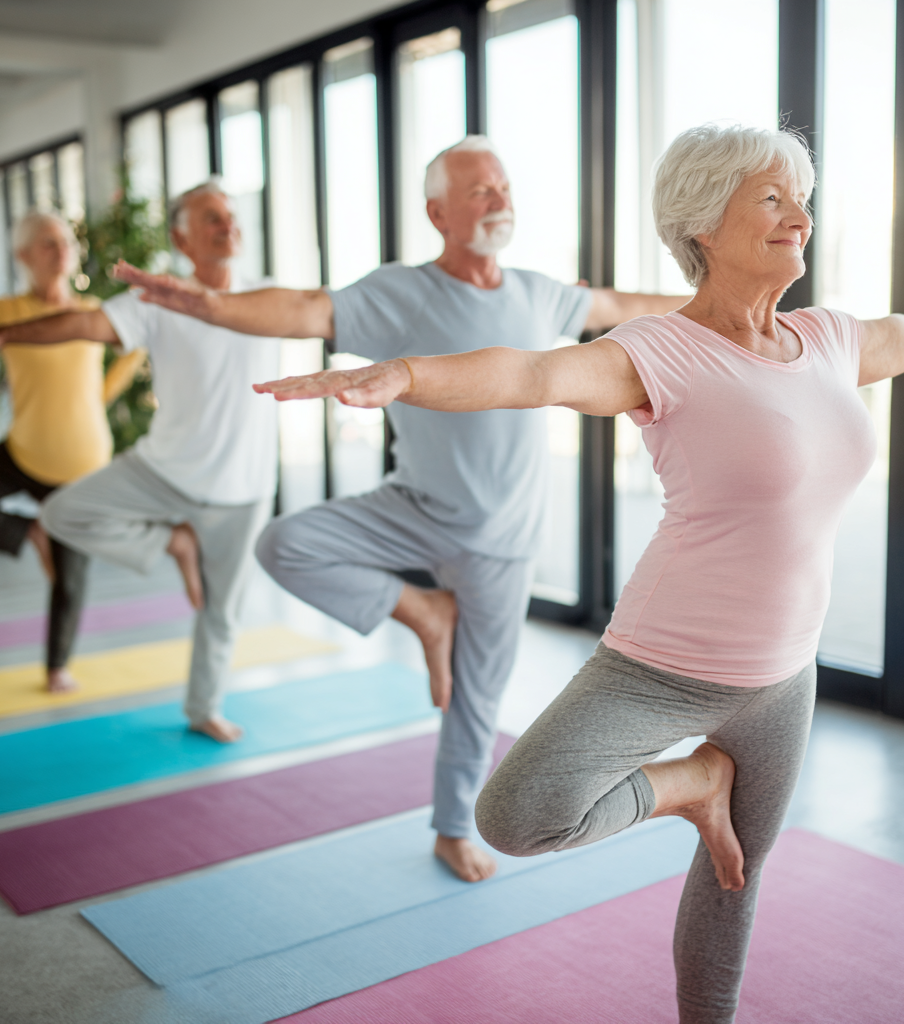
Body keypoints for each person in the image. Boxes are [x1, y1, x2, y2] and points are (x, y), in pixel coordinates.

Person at [233, 123, 904, 1021]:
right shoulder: (664, 353)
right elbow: (530, 371)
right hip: (663, 665)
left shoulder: (832, 340)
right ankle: (692, 785)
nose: (798, 216)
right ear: (703, 226)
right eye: (771, 198)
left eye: (800, 197)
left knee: (736, 879)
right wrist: (406, 374)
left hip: (783, 676)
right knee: (518, 817)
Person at [108, 135, 685, 882]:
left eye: (504, 187)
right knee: (285, 544)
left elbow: (626, 305)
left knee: (477, 702)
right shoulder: (401, 292)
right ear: (437, 212)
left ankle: (452, 828)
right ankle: (422, 613)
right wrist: (214, 305)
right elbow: (306, 309)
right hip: (413, 506)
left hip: (504, 539)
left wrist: (730, 301)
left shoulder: (542, 292)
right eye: (480, 191)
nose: (499, 201)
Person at [0, 182, 280, 743]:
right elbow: (80, 324)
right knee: (63, 515)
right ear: (181, 237)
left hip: (246, 485)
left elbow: (326, 311)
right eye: (211, 217)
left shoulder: (269, 295)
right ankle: (175, 542)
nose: (227, 225)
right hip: (163, 471)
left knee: (221, 612)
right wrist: (3, 336)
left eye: (231, 216)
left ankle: (204, 708)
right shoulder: (157, 299)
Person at [0, 211, 146, 692]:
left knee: (70, 577)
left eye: (64, 240)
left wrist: (98, 396)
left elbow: (137, 345)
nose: (60, 248)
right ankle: (30, 532)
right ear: (23, 256)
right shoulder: (8, 313)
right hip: (22, 453)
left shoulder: (91, 312)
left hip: (82, 463)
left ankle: (56, 666)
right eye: (46, 242)